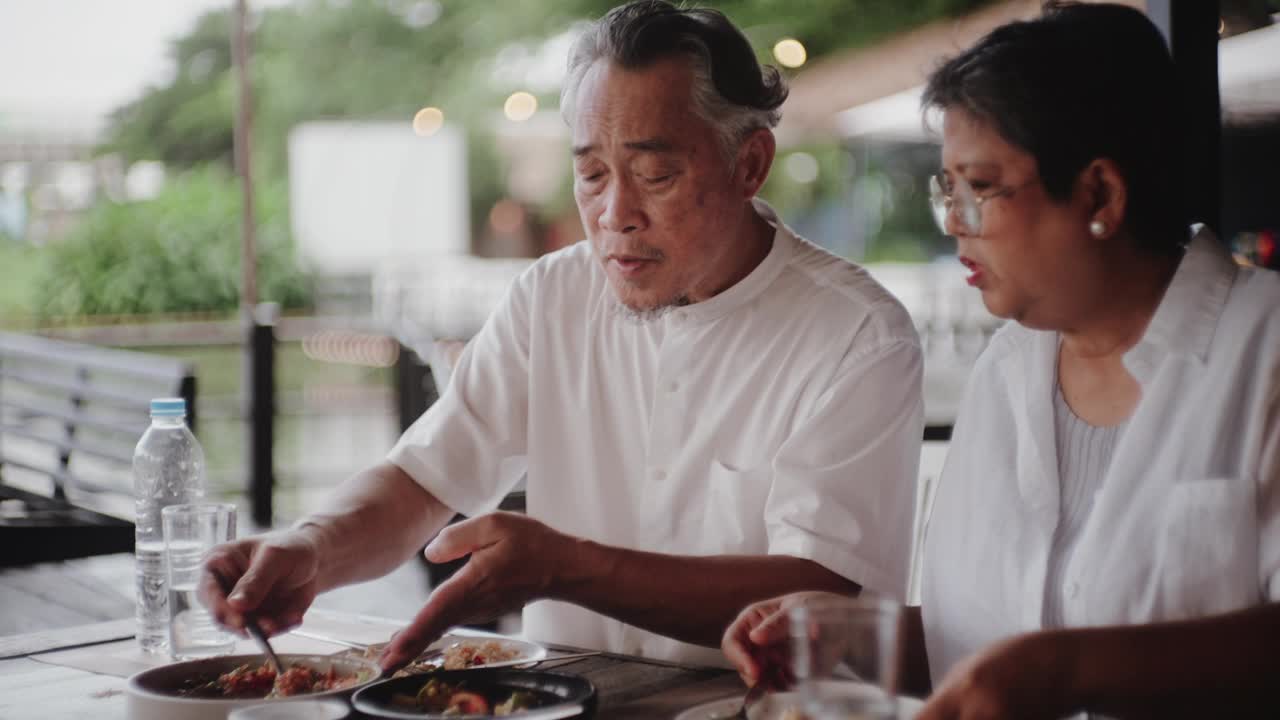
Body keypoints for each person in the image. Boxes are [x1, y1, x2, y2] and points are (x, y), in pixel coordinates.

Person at [202, 0, 924, 671]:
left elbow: (819, 592)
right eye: (591, 174)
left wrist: (566, 566)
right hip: (556, 701)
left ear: (750, 165)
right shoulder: (552, 294)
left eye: (656, 174)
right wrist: (309, 546)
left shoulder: (857, 335)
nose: (616, 214)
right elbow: (425, 479)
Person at [722, 3, 1280, 717]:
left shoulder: (1262, 354)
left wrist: (1070, 668)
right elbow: (988, 647)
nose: (955, 221)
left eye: (980, 188)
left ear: (1100, 193)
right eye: (946, 189)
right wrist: (855, 638)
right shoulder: (1009, 370)